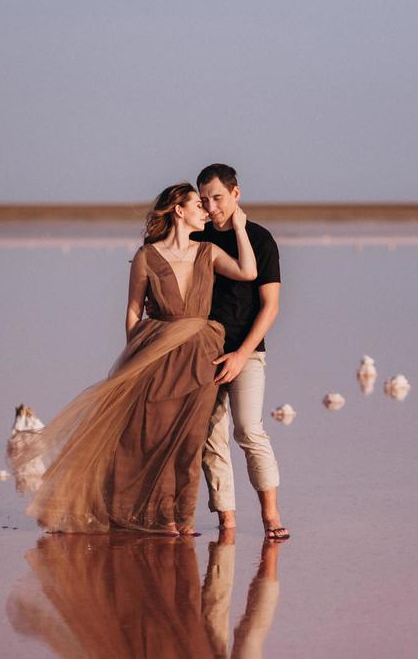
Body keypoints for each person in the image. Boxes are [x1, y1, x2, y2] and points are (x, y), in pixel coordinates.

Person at [15, 183, 257, 535]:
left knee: (189, 441)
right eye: (197, 205)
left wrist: (239, 226)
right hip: (155, 354)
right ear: (179, 211)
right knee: (147, 436)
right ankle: (143, 514)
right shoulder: (147, 256)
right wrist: (135, 358)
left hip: (201, 355)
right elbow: (132, 311)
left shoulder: (208, 252)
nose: (205, 210)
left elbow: (248, 272)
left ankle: (180, 519)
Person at [193, 164, 289, 541]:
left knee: (249, 429)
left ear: (236, 194)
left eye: (218, 197)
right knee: (210, 435)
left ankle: (271, 515)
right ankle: (227, 521)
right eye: (204, 200)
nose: (212, 206)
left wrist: (240, 354)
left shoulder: (260, 239)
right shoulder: (197, 236)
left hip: (247, 353)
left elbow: (271, 306)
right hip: (203, 350)